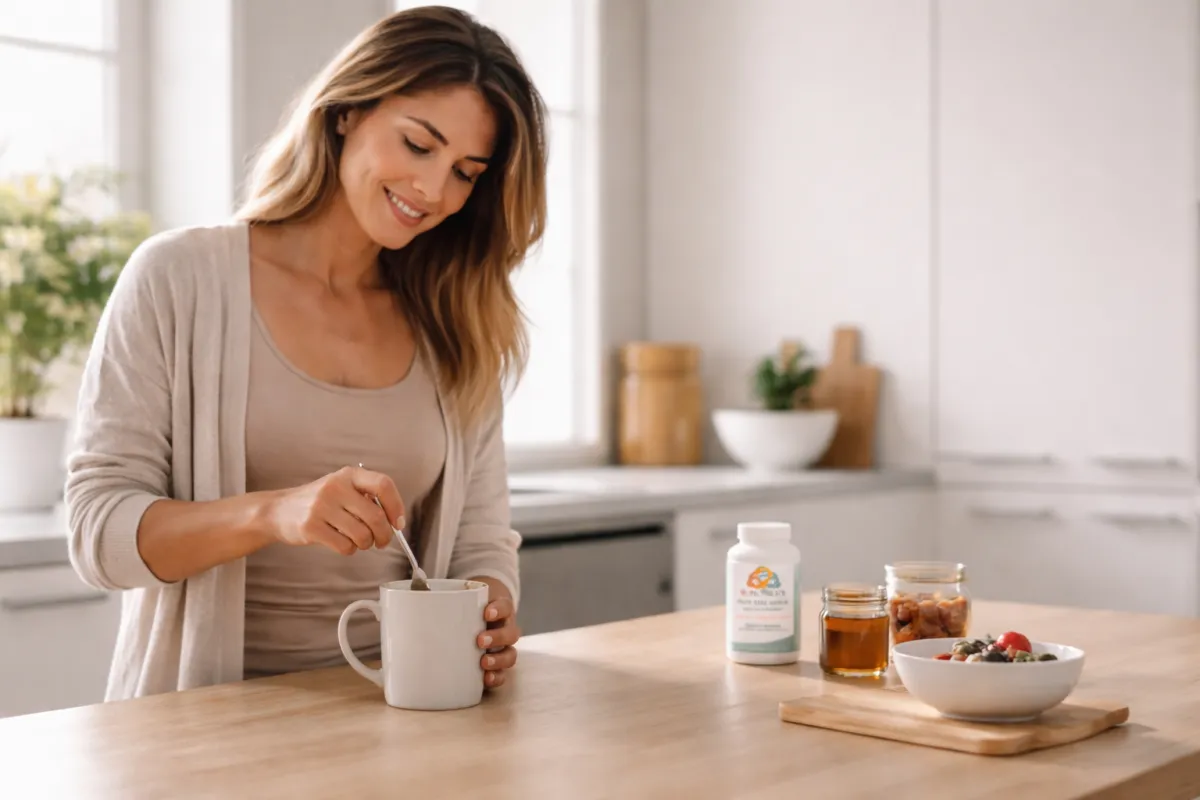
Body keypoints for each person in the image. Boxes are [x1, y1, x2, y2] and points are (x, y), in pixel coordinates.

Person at [64, 5, 546, 701]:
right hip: (202, 728)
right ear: (348, 110)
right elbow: (97, 534)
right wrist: (274, 513)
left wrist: (490, 611)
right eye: (418, 145)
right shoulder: (179, 277)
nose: (434, 191)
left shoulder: (456, 319)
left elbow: (481, 541)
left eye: (466, 173)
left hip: (402, 720)